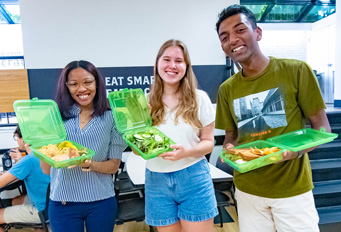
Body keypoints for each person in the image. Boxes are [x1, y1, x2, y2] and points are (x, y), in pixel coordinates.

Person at [215, 4, 331, 232]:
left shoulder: (296, 71)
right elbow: (233, 136)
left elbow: (322, 128)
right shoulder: (227, 89)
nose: (233, 40)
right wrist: (228, 149)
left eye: (240, 30)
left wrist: (295, 151)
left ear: (257, 33)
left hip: (292, 190)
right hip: (248, 190)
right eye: (225, 36)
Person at [40, 60, 127, 232]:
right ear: (66, 86)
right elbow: (46, 169)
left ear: (97, 83)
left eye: (88, 82)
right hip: (63, 202)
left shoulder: (112, 117)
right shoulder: (54, 117)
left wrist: (89, 164)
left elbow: (113, 166)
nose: (81, 89)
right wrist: (41, 146)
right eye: (74, 84)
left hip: (101, 201)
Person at [145, 39, 218, 232]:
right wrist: (142, 127)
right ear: (157, 64)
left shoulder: (199, 98)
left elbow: (209, 143)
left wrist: (186, 152)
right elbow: (138, 152)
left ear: (186, 66)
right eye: (167, 59)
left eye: (179, 61)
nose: (172, 65)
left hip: (193, 176)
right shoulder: (145, 103)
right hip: (156, 179)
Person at [0, 126, 50, 232]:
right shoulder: (44, 155)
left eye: (16, 138)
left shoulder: (28, 161)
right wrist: (21, 160)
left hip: (41, 209)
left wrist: (22, 162)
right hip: (50, 203)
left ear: (23, 140)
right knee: (16, 200)